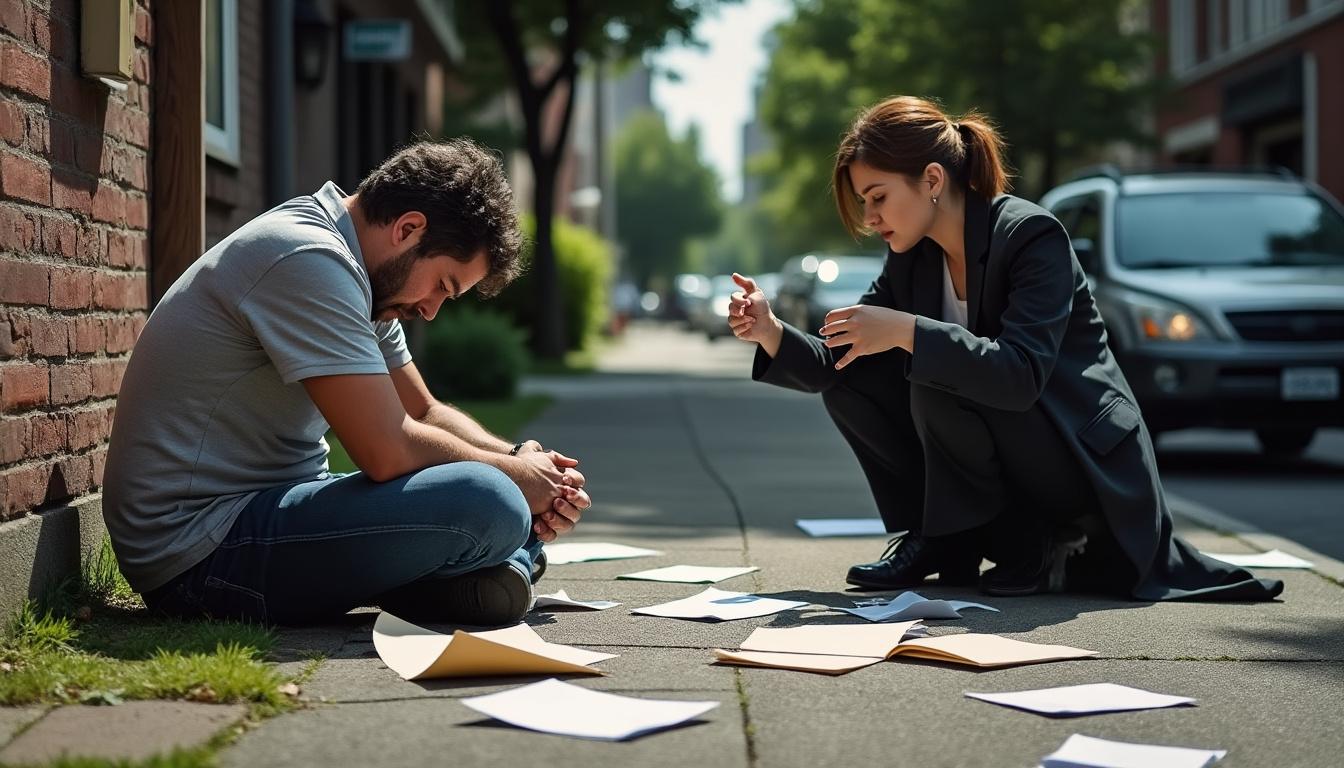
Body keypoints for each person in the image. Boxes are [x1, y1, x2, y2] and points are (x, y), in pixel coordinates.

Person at [727, 96, 1282, 601]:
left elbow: (1019, 375)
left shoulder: (1032, 236)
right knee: (854, 385)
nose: (870, 219)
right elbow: (834, 362)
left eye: (878, 197)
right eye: (862, 202)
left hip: (1079, 454)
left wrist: (906, 331)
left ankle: (1032, 545)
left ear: (933, 179)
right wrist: (770, 330)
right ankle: (943, 540)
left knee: (937, 376)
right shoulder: (911, 257)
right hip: (1014, 442)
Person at [103, 139, 591, 626]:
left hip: (271, 511)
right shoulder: (308, 258)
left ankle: (482, 569)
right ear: (408, 229)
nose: (430, 310)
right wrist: (516, 483)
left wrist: (520, 460)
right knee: (492, 502)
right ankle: (477, 573)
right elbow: (388, 451)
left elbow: (422, 411)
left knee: (503, 501)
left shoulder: (359, 271)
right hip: (197, 552)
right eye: (442, 285)